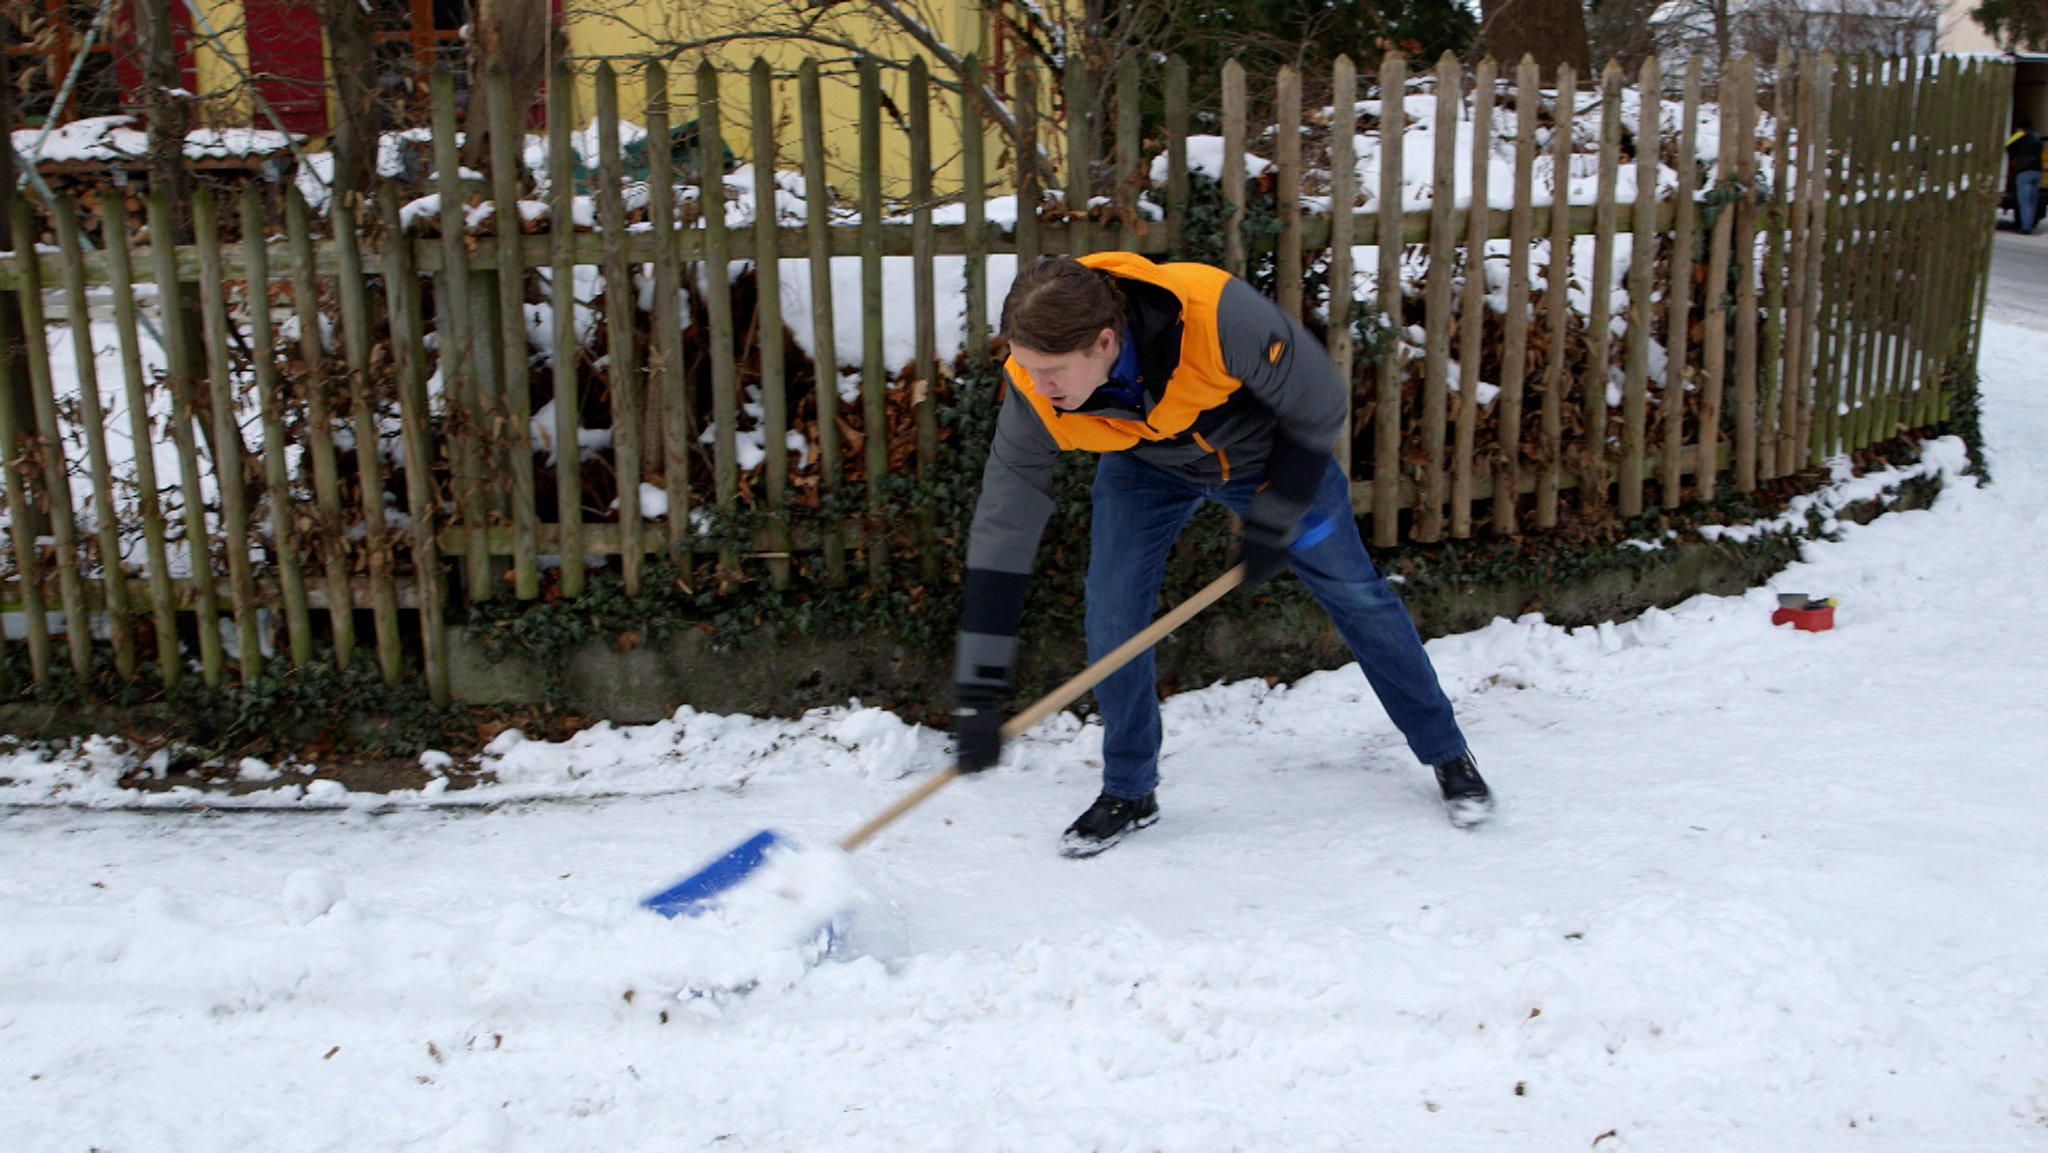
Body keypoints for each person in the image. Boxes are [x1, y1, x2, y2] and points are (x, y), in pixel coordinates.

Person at [948, 253, 1492, 857]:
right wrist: (979, 686)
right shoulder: (1034, 388)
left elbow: (1317, 399)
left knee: (1356, 595)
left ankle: (1446, 752)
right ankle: (1130, 790)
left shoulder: (1215, 316)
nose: (1037, 386)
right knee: (1111, 615)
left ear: (1105, 341)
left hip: (1266, 460)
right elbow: (1003, 527)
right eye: (1026, 368)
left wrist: (1280, 507)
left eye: (1051, 371)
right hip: (1145, 466)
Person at [2007, 117, 2042, 236]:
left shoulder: (2020, 134)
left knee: (2024, 201)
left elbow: (2008, 144)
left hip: (2024, 171)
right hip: (2037, 170)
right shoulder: (2037, 136)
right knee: (2032, 201)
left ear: (2020, 127)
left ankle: (2025, 227)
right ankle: (2030, 224)